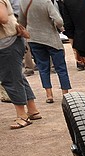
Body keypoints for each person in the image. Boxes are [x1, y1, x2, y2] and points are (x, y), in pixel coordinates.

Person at [19, 0, 71, 104]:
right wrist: (57, 26)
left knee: (43, 68)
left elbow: (21, 22)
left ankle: (49, 94)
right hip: (51, 38)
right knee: (61, 68)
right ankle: (65, 94)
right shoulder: (46, 1)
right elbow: (59, 21)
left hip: (34, 38)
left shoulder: (23, 2)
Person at [1, 0, 42, 129]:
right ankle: (32, 110)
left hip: (7, 43)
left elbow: (3, 18)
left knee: (11, 79)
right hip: (10, 41)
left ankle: (22, 116)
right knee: (17, 76)